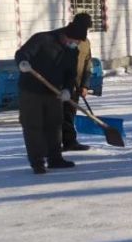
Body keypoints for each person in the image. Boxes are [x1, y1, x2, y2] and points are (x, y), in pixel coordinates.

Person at [15, 23, 84, 174]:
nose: (75, 44)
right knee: (33, 126)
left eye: (78, 42)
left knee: (55, 126)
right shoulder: (42, 39)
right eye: (74, 40)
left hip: (54, 93)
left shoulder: (72, 52)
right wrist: (22, 63)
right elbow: (21, 54)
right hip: (31, 91)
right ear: (65, 35)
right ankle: (37, 163)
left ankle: (55, 159)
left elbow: (70, 74)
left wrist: (67, 89)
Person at [62, 13, 93, 152]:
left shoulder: (86, 43)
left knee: (70, 114)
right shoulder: (65, 38)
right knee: (57, 115)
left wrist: (85, 85)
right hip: (60, 83)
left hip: (76, 83)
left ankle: (70, 142)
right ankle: (53, 145)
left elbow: (87, 63)